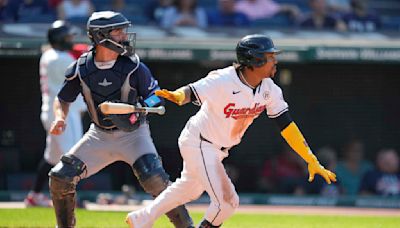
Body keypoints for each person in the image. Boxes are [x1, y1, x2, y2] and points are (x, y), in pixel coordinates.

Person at [126, 34, 336, 228]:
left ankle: (142, 218)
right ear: (255, 60)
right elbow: (189, 92)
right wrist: (178, 96)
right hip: (200, 142)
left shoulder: (270, 89)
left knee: (190, 189)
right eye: (270, 56)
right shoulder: (223, 79)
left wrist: (311, 159)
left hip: (217, 149)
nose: (275, 61)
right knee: (227, 202)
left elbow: (287, 126)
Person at [47, 11, 193, 228]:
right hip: (99, 135)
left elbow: (156, 98)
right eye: (118, 31)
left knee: (155, 179)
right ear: (100, 36)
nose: (124, 35)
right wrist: (60, 117)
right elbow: (62, 99)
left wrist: (144, 107)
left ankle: (187, 226)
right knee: (61, 177)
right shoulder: (81, 68)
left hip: (134, 134)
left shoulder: (134, 66)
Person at [24, 20, 86, 207]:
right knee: (74, 157)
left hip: (54, 112)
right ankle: (69, 198)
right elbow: (85, 66)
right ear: (58, 39)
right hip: (63, 115)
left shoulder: (49, 55)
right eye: (67, 37)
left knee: (52, 158)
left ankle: (34, 195)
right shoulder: (59, 59)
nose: (70, 40)